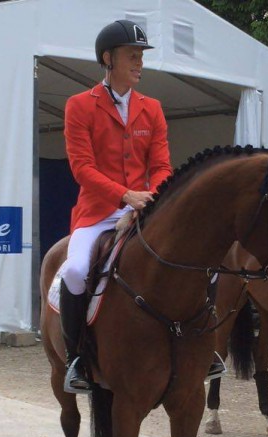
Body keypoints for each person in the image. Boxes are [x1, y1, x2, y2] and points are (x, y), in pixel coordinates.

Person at [59, 19, 225, 393]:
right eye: (132, 56)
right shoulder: (79, 106)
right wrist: (124, 196)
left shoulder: (152, 108)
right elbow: (82, 168)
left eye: (141, 56)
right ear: (108, 58)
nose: (139, 63)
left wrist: (148, 199)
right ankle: (77, 359)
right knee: (74, 270)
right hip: (98, 211)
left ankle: (204, 347)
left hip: (146, 208)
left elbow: (163, 165)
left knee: (206, 265)